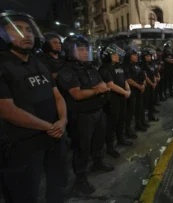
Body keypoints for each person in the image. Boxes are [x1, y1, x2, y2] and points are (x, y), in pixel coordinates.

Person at [0, 10, 68, 203]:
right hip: (22, 144)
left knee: (58, 184)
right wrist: (49, 127)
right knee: (23, 193)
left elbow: (57, 95)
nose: (27, 34)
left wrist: (62, 120)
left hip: (54, 137)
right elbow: (7, 110)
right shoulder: (3, 66)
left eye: (29, 29)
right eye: (17, 29)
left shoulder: (38, 64)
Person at [57, 35, 114, 195]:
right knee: (82, 148)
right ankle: (80, 179)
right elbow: (77, 94)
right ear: (70, 51)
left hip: (97, 111)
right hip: (81, 116)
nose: (84, 52)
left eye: (85, 49)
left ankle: (98, 162)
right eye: (80, 49)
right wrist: (96, 90)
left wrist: (98, 89)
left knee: (98, 141)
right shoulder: (67, 71)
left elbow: (102, 84)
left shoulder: (89, 68)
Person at [99, 44, 132, 159]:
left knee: (121, 119)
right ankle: (110, 146)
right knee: (111, 123)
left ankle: (121, 138)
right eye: (114, 55)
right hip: (112, 100)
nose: (117, 57)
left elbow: (124, 79)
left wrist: (127, 90)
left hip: (122, 97)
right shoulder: (104, 68)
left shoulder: (119, 66)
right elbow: (110, 85)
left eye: (117, 54)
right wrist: (125, 92)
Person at [124, 47, 149, 135]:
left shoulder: (137, 64)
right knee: (130, 111)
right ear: (129, 56)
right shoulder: (127, 66)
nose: (136, 56)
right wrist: (139, 86)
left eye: (136, 55)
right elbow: (128, 79)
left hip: (140, 89)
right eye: (134, 55)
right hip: (133, 91)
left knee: (140, 108)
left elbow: (143, 75)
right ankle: (128, 129)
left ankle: (139, 124)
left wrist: (144, 84)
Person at [142, 48, 160, 122]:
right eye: (147, 56)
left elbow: (154, 74)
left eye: (149, 56)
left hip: (153, 85)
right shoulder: (143, 65)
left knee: (151, 102)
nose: (148, 57)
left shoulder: (152, 64)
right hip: (147, 86)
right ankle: (143, 119)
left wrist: (155, 82)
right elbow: (145, 76)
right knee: (145, 103)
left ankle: (151, 116)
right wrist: (152, 83)